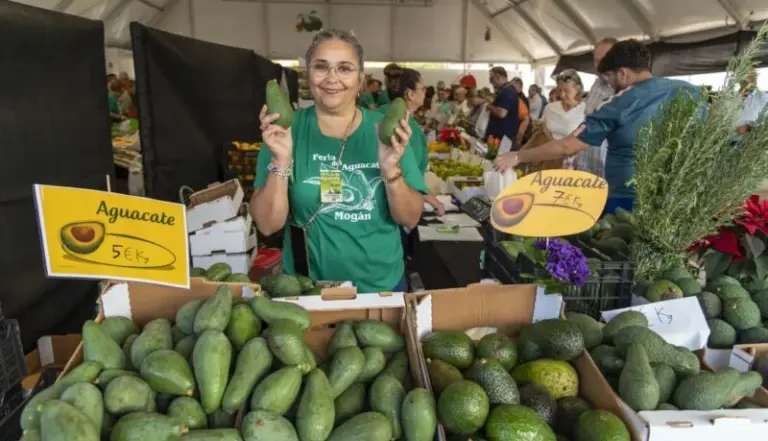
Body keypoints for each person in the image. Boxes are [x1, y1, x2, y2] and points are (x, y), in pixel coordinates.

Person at [251, 29, 426, 293]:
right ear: (308, 74)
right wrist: (281, 158)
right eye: (321, 67)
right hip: (307, 288)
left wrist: (392, 171)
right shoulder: (284, 131)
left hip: (380, 288)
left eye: (345, 68)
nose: (332, 78)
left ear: (361, 80)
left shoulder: (387, 131)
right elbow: (266, 224)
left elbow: (410, 218)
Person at [494, 39, 699, 214]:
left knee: (618, 256)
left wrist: (518, 156)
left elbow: (568, 146)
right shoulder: (690, 92)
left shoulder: (619, 103)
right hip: (674, 200)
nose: (608, 84)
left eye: (609, 77)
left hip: (625, 200)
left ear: (623, 73)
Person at [380, 68, 445, 216]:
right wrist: (432, 199)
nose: (425, 93)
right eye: (423, 89)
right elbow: (408, 173)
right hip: (394, 207)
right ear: (410, 94)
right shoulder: (408, 127)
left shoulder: (378, 113)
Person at [577, 37, 618, 177]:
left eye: (605, 59)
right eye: (596, 60)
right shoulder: (595, 86)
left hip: (610, 173)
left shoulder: (624, 90)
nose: (600, 65)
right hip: (588, 168)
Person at [539, 70, 586, 169]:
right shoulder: (550, 108)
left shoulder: (585, 111)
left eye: (566, 91)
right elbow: (541, 130)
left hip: (571, 165)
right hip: (548, 160)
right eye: (559, 90)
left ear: (578, 88)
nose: (562, 95)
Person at [485, 66, 520, 146]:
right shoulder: (508, 90)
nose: (490, 82)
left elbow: (502, 113)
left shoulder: (506, 92)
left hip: (501, 137)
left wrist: (490, 107)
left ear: (498, 76)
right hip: (503, 136)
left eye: (491, 79)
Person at [736, 67, 768, 136]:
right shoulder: (730, 98)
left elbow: (765, 123)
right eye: (749, 76)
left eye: (754, 76)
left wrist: (748, 127)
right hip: (728, 142)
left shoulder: (763, 97)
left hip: (751, 142)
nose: (753, 80)